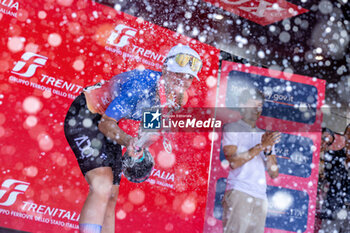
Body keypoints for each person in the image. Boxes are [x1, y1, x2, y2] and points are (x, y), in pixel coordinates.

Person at [64, 44, 203, 233]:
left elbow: (147, 132)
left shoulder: (176, 98)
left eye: (188, 78)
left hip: (107, 122)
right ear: (165, 70)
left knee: (112, 193)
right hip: (85, 115)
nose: (182, 81)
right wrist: (129, 141)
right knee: (102, 184)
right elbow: (105, 124)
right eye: (178, 74)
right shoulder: (141, 86)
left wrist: (137, 148)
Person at [221, 89, 281, 233]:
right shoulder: (232, 128)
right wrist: (262, 146)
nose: (256, 109)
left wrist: (268, 150)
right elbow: (234, 162)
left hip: (260, 197)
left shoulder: (265, 136)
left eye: (259, 106)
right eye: (252, 105)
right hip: (239, 192)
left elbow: (274, 173)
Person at [318, 124, 350, 233]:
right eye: (349, 134)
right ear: (345, 136)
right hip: (333, 210)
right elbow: (323, 177)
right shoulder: (331, 156)